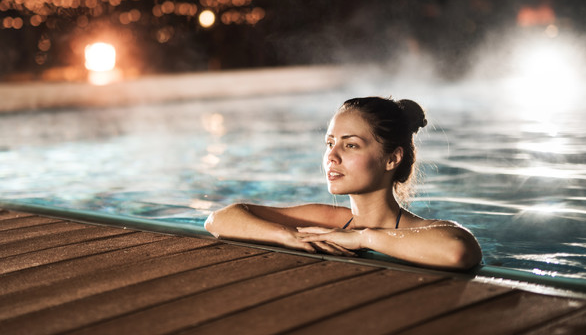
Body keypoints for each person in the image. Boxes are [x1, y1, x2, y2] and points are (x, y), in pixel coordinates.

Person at [205, 96, 482, 271]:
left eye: (350, 145)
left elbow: (458, 250)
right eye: (329, 143)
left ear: (392, 158)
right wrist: (287, 235)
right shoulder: (328, 220)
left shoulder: (422, 230)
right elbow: (220, 219)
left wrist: (362, 237)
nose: (332, 156)